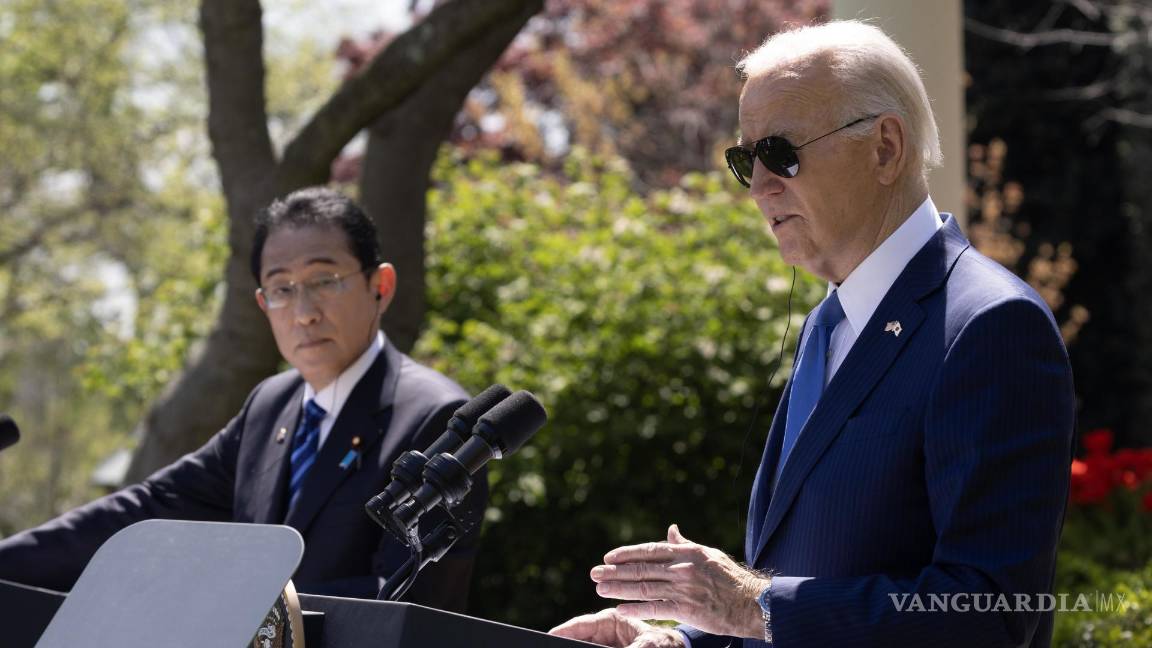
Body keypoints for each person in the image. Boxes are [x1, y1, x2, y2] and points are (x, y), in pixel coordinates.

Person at [551, 20, 1074, 648]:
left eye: (781, 152)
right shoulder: (828, 328)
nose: (762, 187)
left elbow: (989, 613)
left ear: (885, 147)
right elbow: (802, 588)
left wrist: (749, 605)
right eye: (747, 160)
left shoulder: (989, 325)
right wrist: (685, 640)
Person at [0, 187, 485, 611]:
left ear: (380, 285)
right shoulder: (270, 406)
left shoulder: (435, 418)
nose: (303, 312)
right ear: (262, 303)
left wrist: (226, 603)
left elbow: (409, 595)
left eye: (324, 281)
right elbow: (150, 507)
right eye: (282, 289)